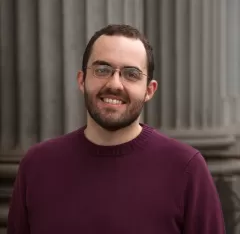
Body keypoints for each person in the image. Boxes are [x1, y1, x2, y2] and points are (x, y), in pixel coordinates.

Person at [7, 24, 225, 234]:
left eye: (131, 74)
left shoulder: (186, 168)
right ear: (82, 80)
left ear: (149, 90)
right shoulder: (37, 165)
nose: (115, 84)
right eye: (102, 69)